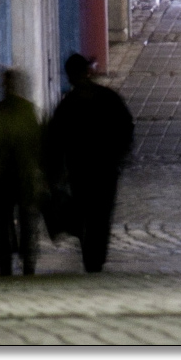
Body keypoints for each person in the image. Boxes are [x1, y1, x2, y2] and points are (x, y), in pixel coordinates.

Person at [43, 54, 134, 273]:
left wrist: (55, 171)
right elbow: (126, 128)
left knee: (87, 213)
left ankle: (91, 258)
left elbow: (55, 140)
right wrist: (119, 157)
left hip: (82, 170)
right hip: (102, 169)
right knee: (100, 215)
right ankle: (96, 259)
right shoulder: (107, 98)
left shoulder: (68, 105)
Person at [0, 68, 46, 276]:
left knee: (4, 223)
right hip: (23, 177)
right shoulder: (27, 110)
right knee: (26, 223)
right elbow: (38, 146)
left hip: (4, 178)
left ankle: (8, 266)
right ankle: (27, 264)